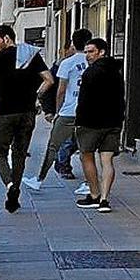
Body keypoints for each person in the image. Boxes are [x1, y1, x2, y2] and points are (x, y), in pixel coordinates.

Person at [0, 25, 54, 213]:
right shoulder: (32, 55)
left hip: (5, 112)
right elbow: (49, 80)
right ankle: (16, 187)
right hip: (27, 112)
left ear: (6, 38)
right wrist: (36, 94)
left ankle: (10, 186)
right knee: (19, 154)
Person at [21, 29, 93, 191]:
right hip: (88, 112)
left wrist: (57, 110)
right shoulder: (93, 62)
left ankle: (39, 179)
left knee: (53, 145)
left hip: (68, 111)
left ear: (73, 44)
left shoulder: (67, 63)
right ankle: (90, 184)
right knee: (86, 150)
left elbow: (60, 90)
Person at [74, 38, 125, 213]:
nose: (87, 55)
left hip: (90, 122)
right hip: (112, 122)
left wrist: (79, 121)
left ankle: (95, 195)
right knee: (107, 160)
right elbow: (121, 98)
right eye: (86, 52)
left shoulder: (90, 73)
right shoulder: (116, 72)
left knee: (86, 157)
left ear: (101, 51)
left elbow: (84, 100)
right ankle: (104, 199)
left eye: (91, 51)